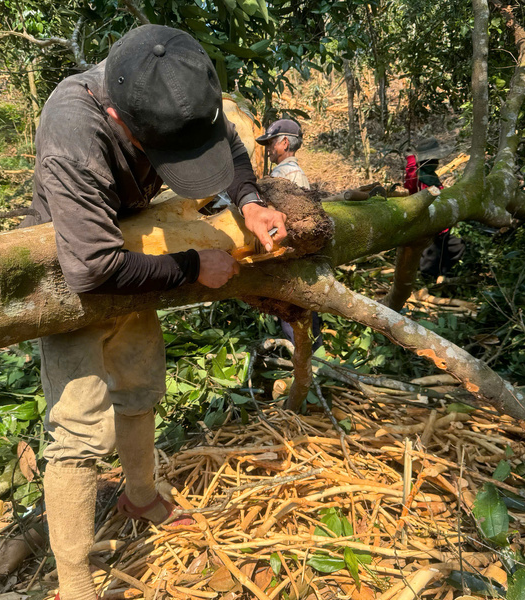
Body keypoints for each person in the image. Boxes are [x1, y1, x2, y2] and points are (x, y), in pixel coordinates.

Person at [26, 25, 287, 600]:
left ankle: (138, 495)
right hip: (71, 279)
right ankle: (74, 582)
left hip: (134, 261)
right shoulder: (75, 126)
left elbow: (231, 149)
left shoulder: (182, 91)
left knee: (141, 381)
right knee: (79, 427)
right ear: (122, 121)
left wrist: (249, 201)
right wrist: (193, 267)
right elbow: (91, 268)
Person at [256, 119, 322, 350]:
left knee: (294, 312)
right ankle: (310, 359)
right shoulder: (290, 173)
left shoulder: (286, 176)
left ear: (284, 143)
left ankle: (309, 363)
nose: (268, 149)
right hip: (290, 255)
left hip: (287, 257)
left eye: (271, 143)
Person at [404, 138, 464, 278]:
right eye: (434, 160)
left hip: (441, 223)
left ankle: (442, 274)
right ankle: (427, 279)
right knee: (430, 256)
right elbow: (410, 179)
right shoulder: (418, 176)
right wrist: (411, 158)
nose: (437, 163)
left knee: (455, 246)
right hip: (428, 224)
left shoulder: (431, 176)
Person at [256, 119, 311, 189]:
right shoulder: (297, 172)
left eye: (270, 143)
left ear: (285, 142)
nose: (267, 149)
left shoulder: (281, 172)